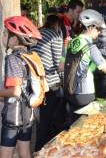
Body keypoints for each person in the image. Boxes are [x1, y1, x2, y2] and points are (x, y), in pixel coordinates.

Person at [0, 16, 41, 158]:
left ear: (15, 39)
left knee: (5, 154)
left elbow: (15, 91)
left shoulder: (13, 58)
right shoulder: (30, 55)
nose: (3, 36)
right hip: (28, 114)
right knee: (24, 152)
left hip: (13, 116)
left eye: (5, 33)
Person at [31, 15, 64, 151]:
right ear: (57, 25)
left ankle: (40, 147)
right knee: (52, 117)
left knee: (42, 117)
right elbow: (58, 63)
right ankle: (47, 147)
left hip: (36, 81)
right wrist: (63, 78)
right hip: (51, 83)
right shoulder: (54, 36)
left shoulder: (37, 33)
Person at [59, 0, 84, 71]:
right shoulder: (61, 22)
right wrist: (62, 60)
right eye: (78, 12)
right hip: (61, 62)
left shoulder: (72, 23)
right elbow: (64, 43)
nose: (80, 15)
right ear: (70, 10)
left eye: (81, 12)